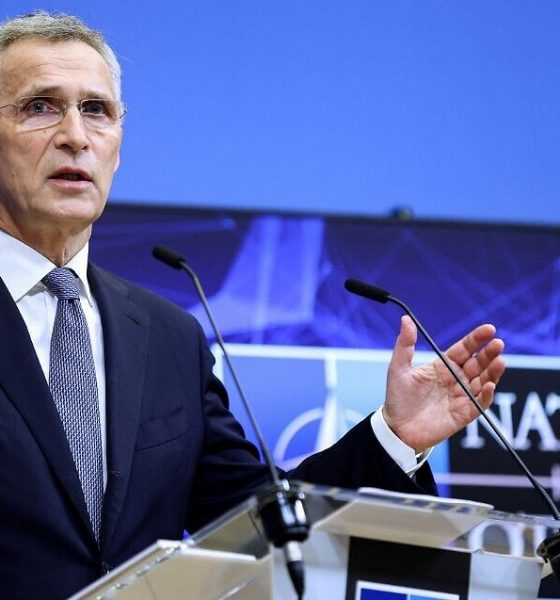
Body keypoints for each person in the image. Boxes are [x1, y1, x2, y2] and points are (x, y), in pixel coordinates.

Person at [0, 11, 506, 599]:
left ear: (118, 145)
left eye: (97, 110)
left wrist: (396, 436)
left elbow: (261, 521)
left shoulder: (167, 338)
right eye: (40, 107)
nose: (75, 135)